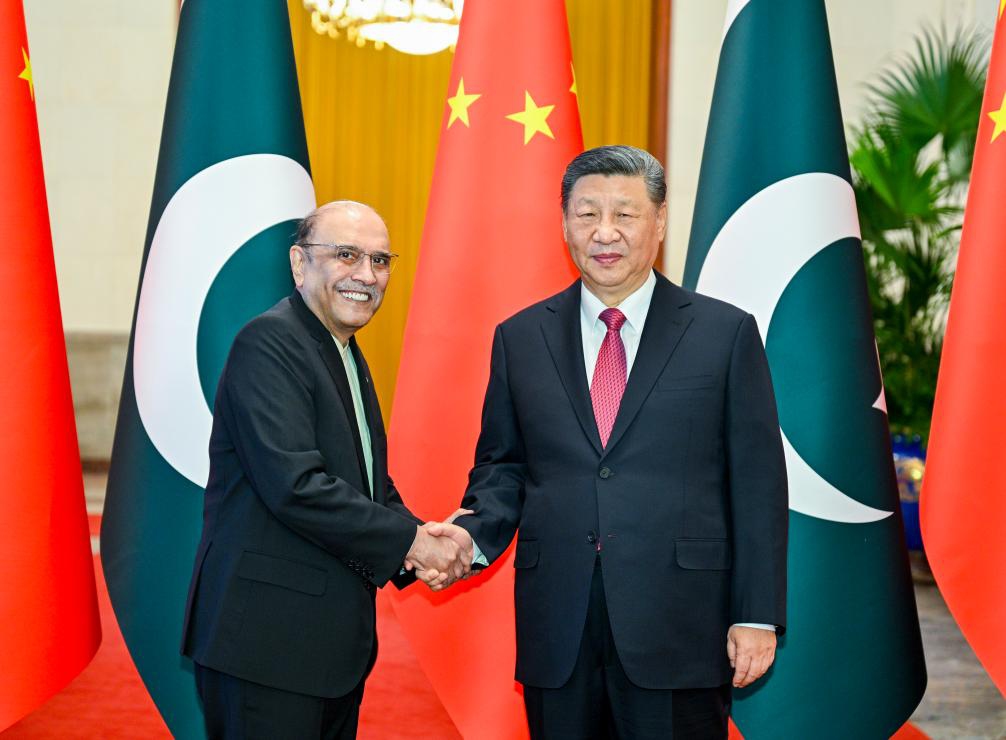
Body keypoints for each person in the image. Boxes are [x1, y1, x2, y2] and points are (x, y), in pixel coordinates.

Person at [426, 146, 788, 739]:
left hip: (681, 623)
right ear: (564, 221)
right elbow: (504, 467)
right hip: (559, 624)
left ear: (660, 222)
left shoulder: (725, 333)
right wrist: (469, 535)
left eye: (625, 214)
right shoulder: (520, 337)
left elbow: (757, 484)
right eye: (587, 214)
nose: (605, 233)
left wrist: (757, 614)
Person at [181, 201, 469, 739]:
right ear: (299, 263)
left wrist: (418, 539)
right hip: (267, 649)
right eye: (346, 255)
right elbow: (298, 487)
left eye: (381, 261)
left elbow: (367, 481)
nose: (367, 275)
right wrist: (415, 543)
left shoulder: (341, 350)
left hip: (323, 649)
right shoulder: (270, 343)